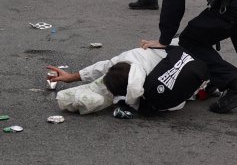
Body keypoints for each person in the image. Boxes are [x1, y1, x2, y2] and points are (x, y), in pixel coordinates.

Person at [47, 43, 208, 116]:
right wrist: (71, 77)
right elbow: (101, 67)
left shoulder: (156, 82)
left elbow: (176, 102)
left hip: (198, 60)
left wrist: (137, 106)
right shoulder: (124, 60)